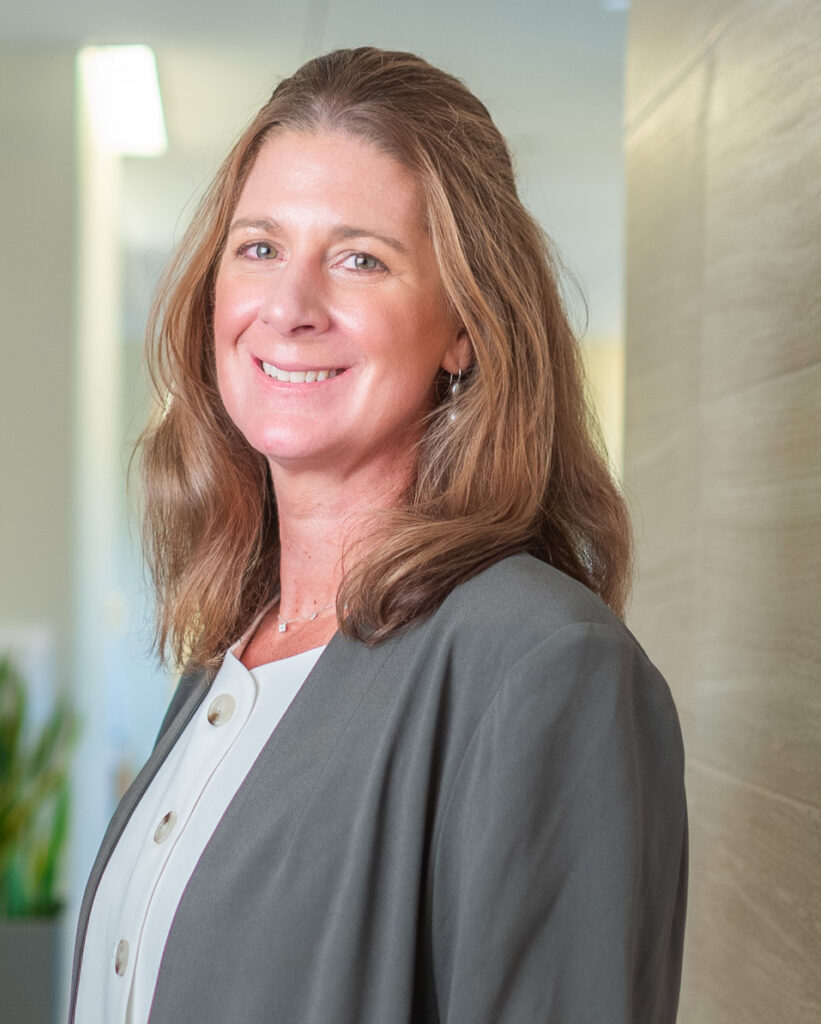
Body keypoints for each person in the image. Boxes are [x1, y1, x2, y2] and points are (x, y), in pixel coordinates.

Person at [70, 46, 687, 1024]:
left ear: (464, 327)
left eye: (360, 258)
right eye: (259, 247)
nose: (290, 305)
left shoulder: (543, 667)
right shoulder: (231, 651)